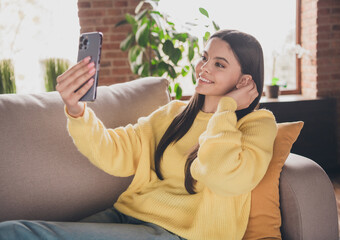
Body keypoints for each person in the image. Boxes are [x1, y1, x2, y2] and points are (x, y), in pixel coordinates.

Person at [0, 29, 277, 240]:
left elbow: (225, 177)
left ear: (245, 80)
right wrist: (76, 109)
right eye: (205, 58)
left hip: (180, 234)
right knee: (11, 230)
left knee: (18, 233)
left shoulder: (256, 124)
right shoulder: (173, 114)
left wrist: (226, 108)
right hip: (128, 216)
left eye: (219, 64)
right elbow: (115, 151)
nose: (203, 68)